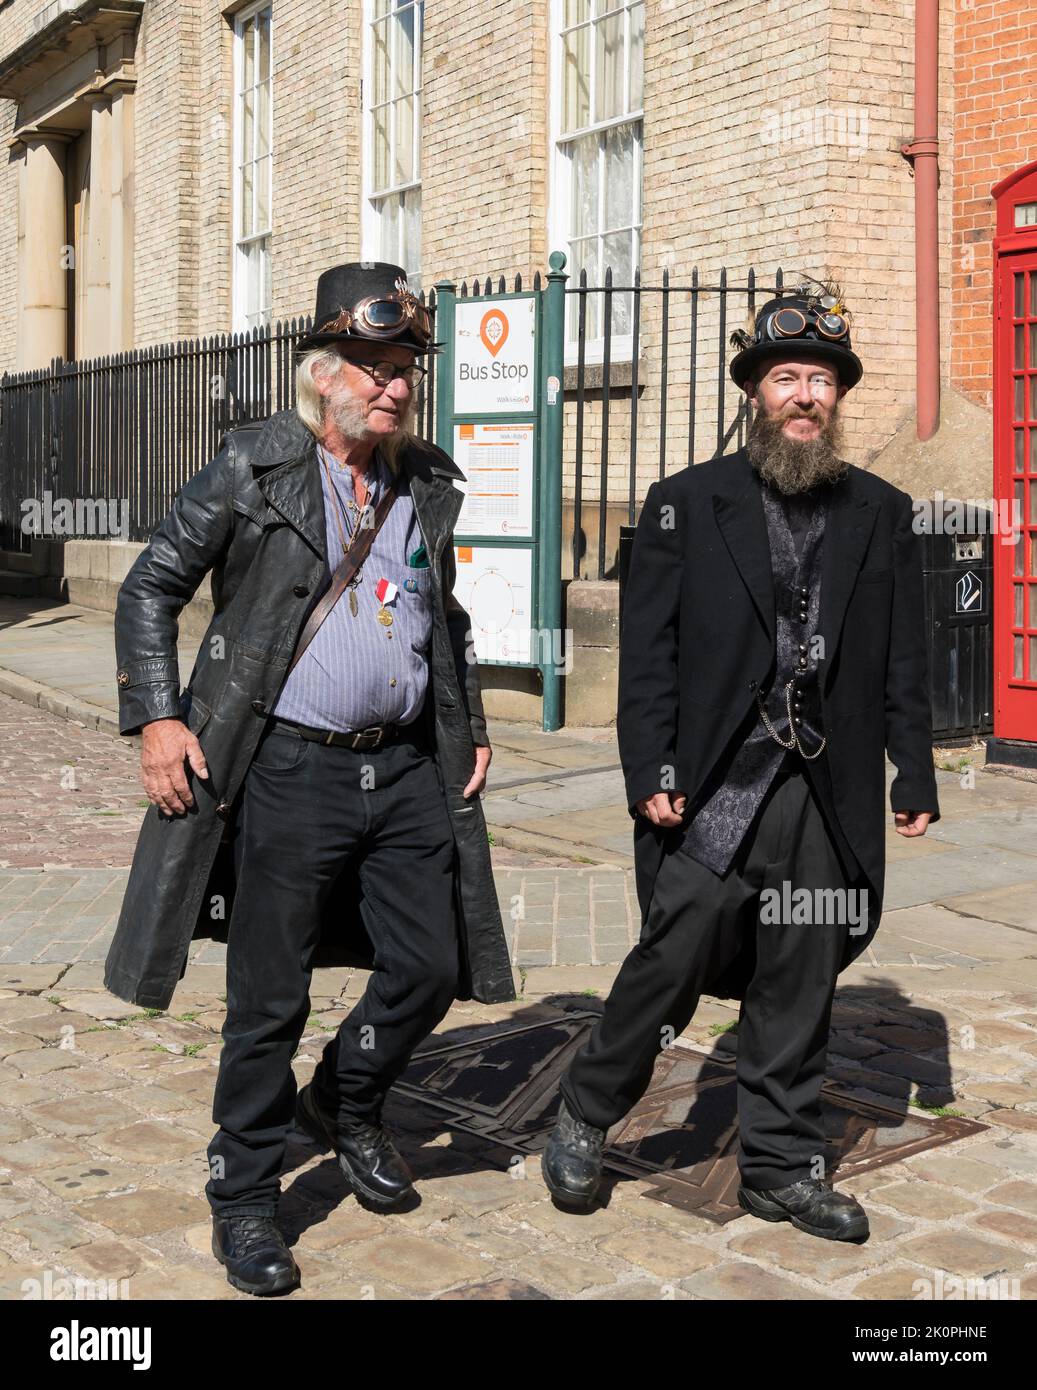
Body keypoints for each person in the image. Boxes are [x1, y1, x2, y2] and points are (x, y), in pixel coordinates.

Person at [105, 262, 514, 1295]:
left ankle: (345, 1097)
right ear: (321, 373)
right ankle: (243, 1193)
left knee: (428, 966)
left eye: (403, 368)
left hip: (407, 766)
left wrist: (465, 721)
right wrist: (158, 715)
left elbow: (442, 616)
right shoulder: (257, 466)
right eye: (371, 368)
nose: (392, 386)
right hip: (286, 768)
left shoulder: (424, 481)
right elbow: (151, 585)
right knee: (268, 998)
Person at [542, 281, 940, 1242]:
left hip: (822, 793)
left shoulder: (879, 510)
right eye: (784, 378)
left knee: (801, 976)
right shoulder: (686, 503)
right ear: (753, 393)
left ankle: (778, 1167)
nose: (804, 395)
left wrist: (912, 770)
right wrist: (652, 772)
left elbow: (902, 655)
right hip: (716, 785)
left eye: (821, 380)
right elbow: (651, 659)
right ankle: (587, 1112)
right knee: (669, 958)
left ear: (838, 397)